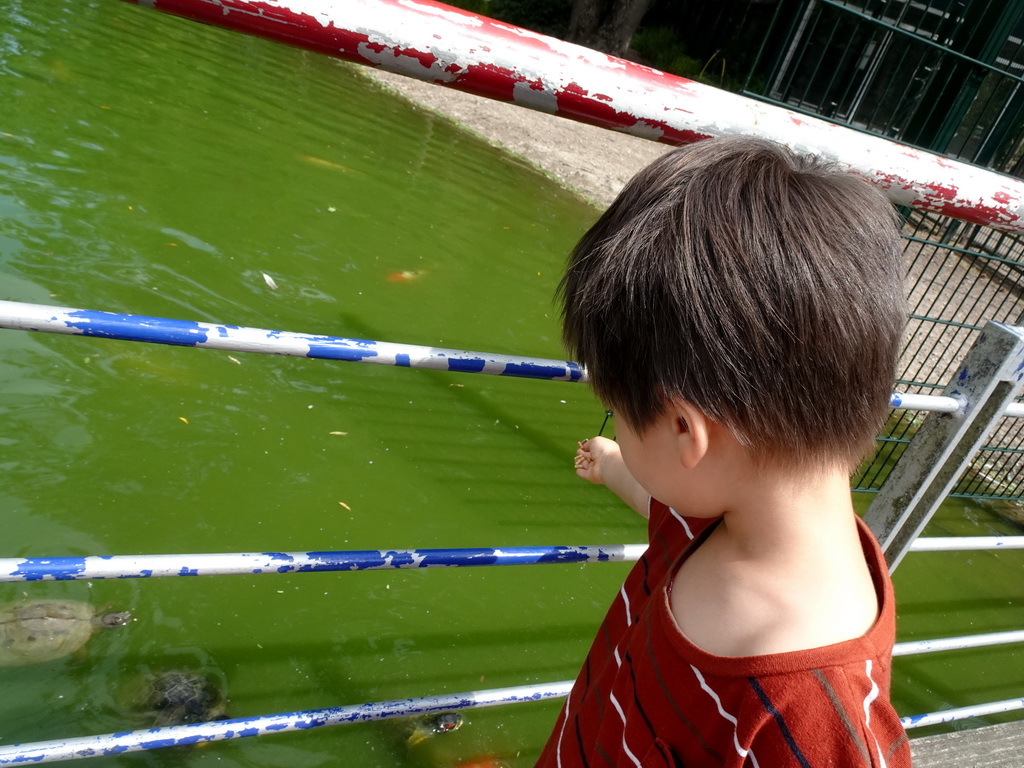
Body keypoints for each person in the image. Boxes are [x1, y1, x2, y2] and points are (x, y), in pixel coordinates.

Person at [536, 137, 912, 767]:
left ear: (686, 429)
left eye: (618, 414)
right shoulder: (729, 508)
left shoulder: (815, 713)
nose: (618, 429)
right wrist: (612, 465)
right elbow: (659, 501)